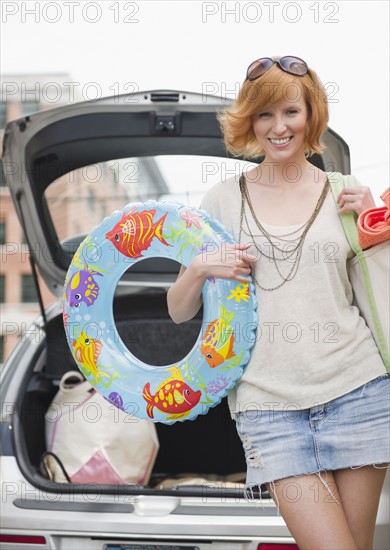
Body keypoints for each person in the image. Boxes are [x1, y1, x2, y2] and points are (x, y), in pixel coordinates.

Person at [167, 56, 390, 550]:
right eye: (264, 114)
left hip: (358, 391)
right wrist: (202, 267)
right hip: (268, 408)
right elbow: (179, 310)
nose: (278, 126)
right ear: (249, 121)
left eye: (290, 111)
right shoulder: (222, 199)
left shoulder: (346, 194)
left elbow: (375, 294)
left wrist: (377, 227)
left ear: (311, 114)